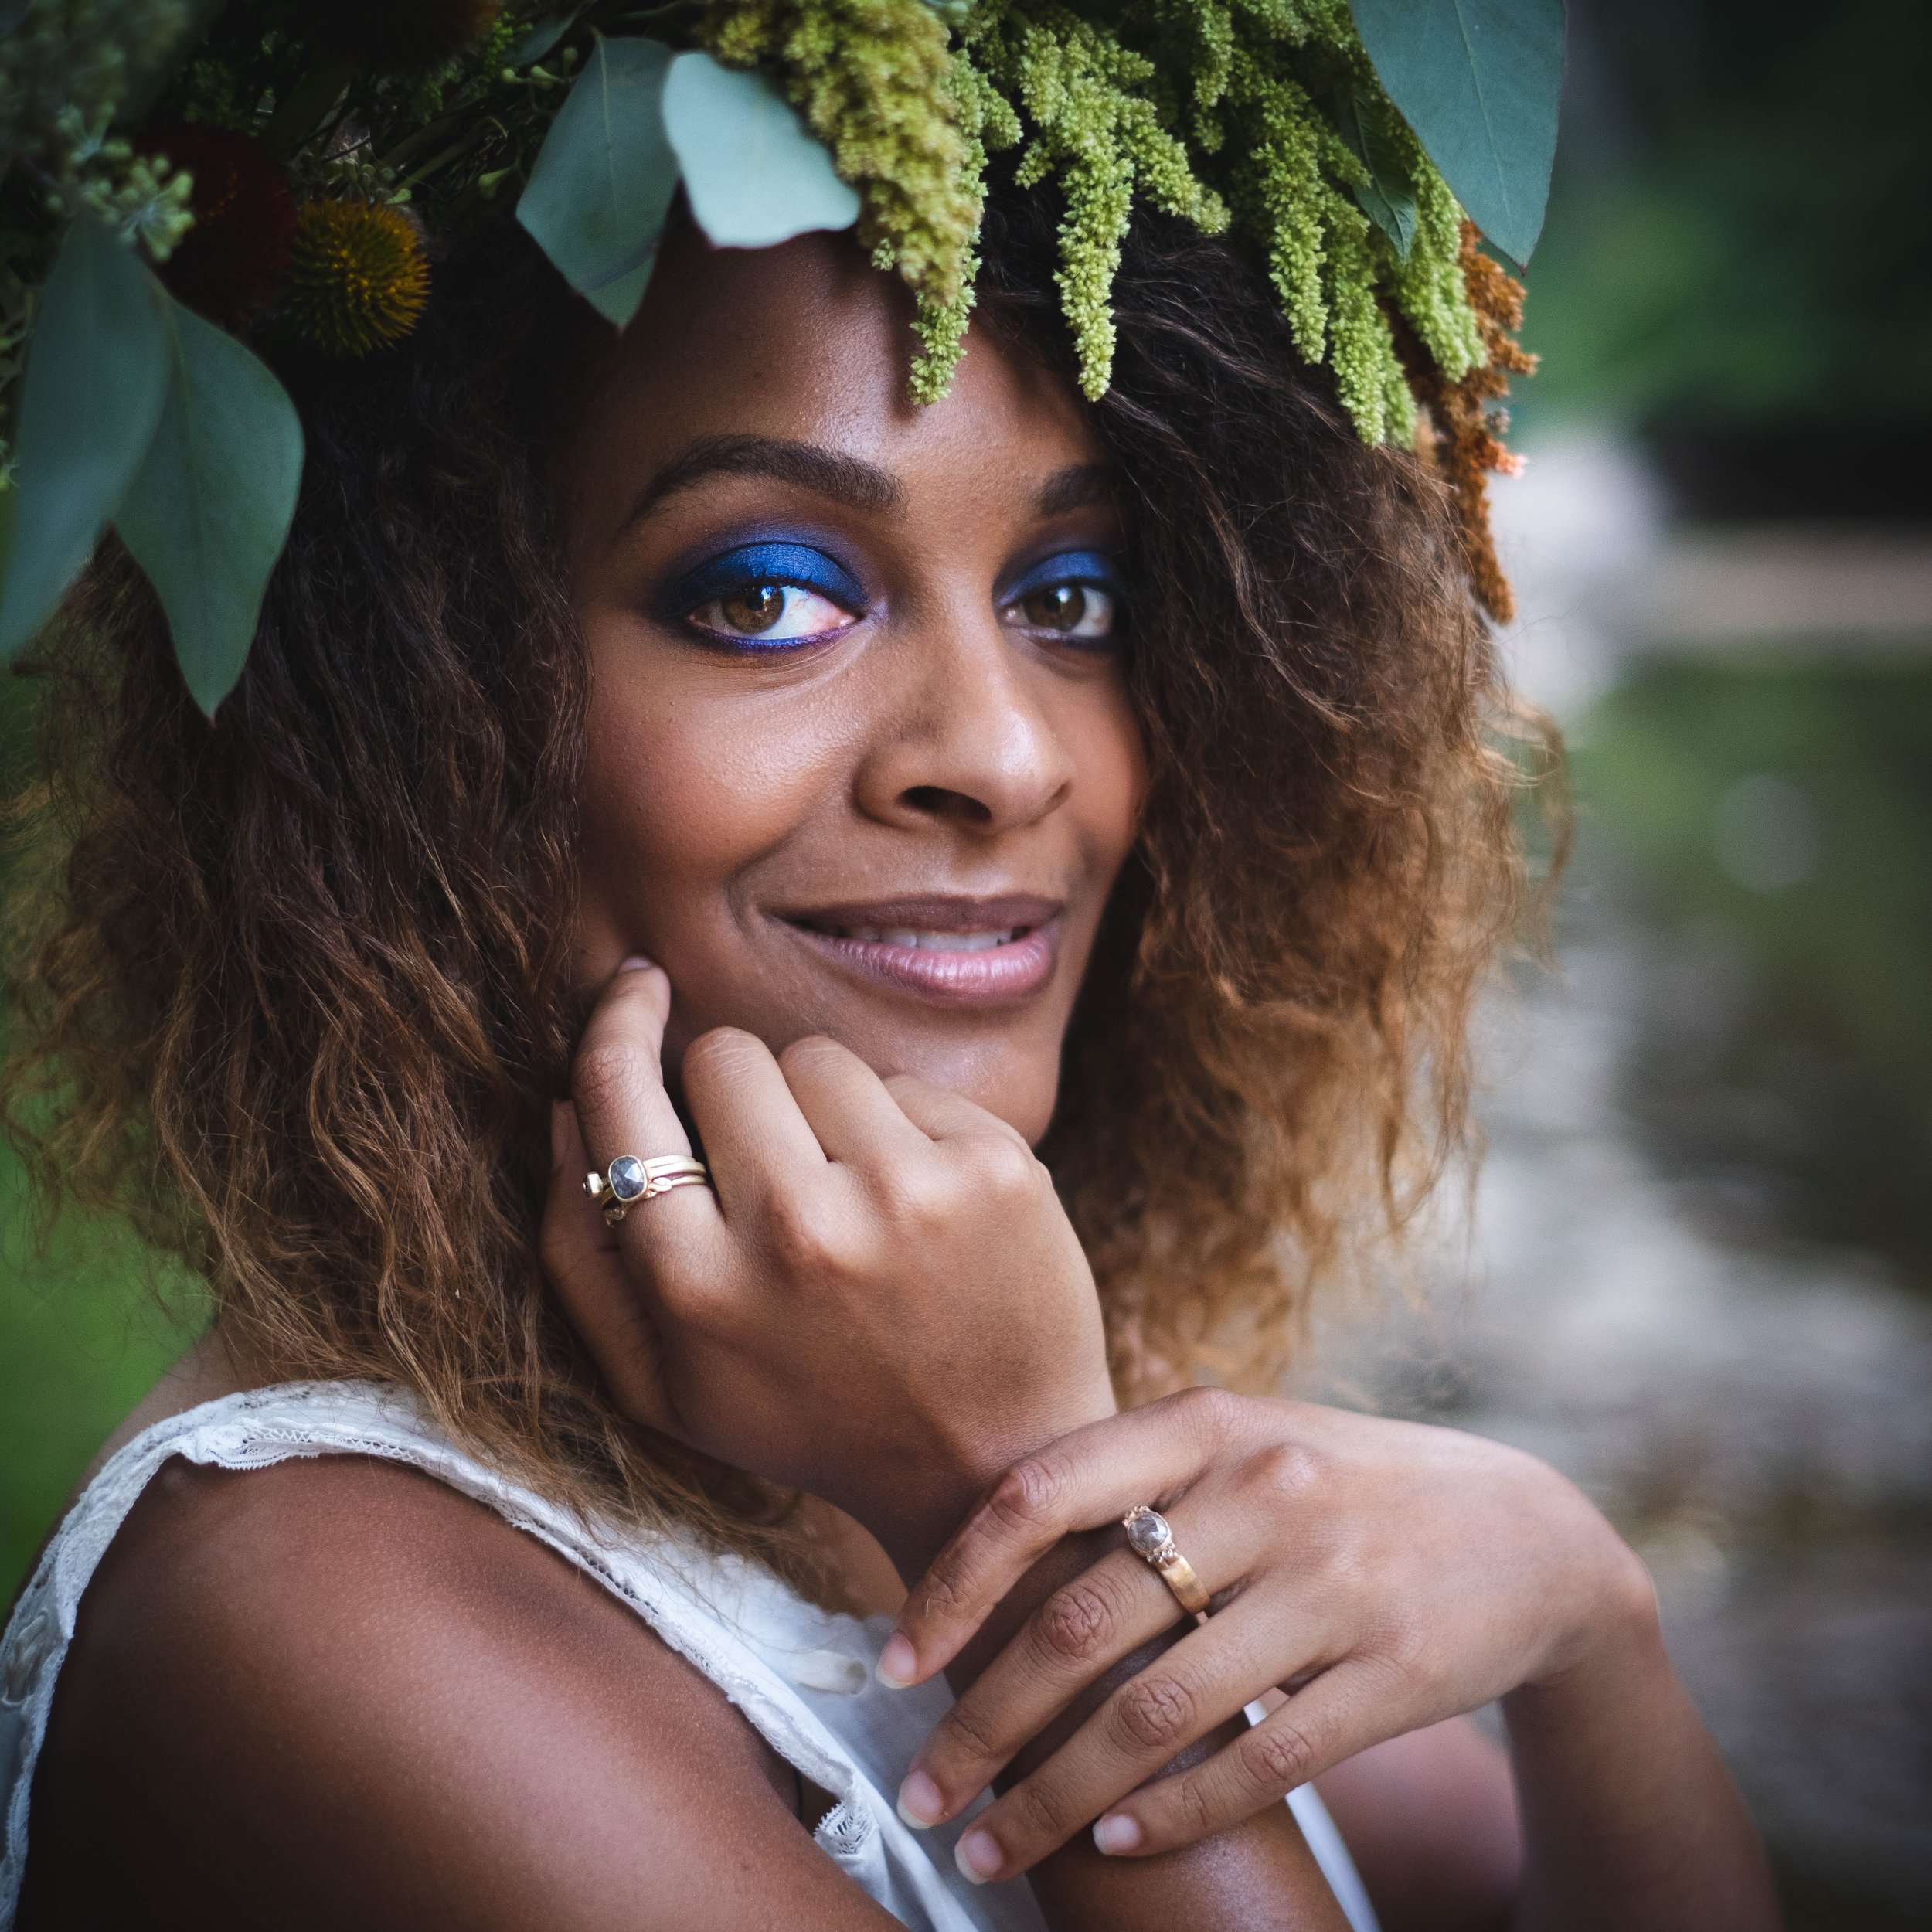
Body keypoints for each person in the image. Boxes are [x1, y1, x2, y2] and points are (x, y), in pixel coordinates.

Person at [0, 6, 1778, 1928]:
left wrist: (1582, 1615)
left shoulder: (885, 1392)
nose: (1002, 754)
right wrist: (1020, 1521)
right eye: (764, 593)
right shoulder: (318, 1621)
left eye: (1068, 596)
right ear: (407, 699)